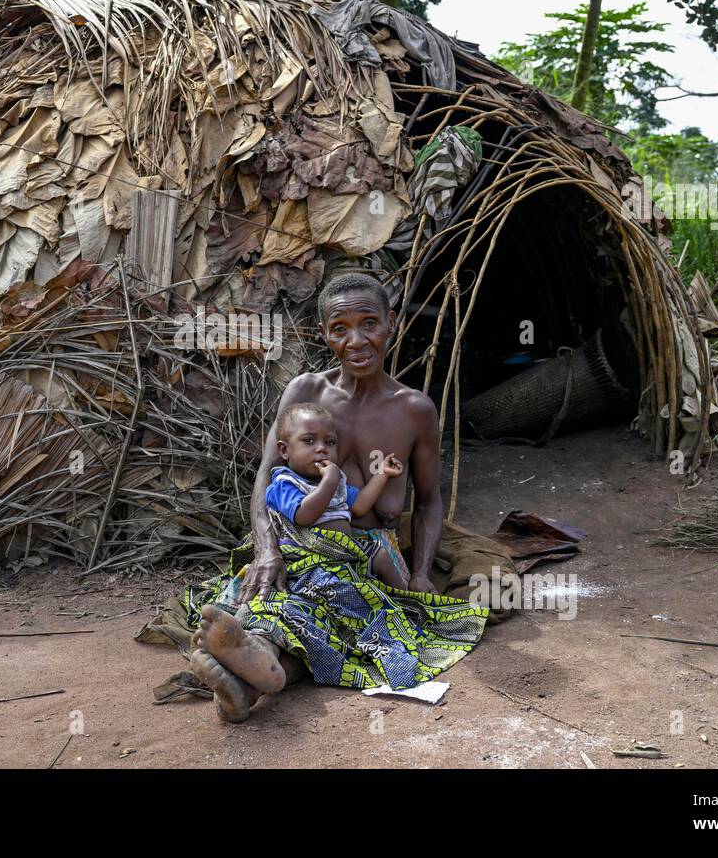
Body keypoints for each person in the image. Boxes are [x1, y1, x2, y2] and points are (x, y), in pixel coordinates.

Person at [179, 271, 489, 723]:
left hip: (361, 562)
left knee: (343, 614)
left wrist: (420, 571)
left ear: (392, 324)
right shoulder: (305, 393)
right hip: (300, 550)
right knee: (280, 596)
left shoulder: (414, 410)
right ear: (324, 333)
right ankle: (252, 666)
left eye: (369, 323)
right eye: (340, 329)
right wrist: (267, 550)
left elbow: (427, 501)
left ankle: (249, 677)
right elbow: (266, 477)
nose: (357, 340)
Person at [264, 401, 411, 588]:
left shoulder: (335, 480)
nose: (321, 448)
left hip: (346, 553)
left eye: (330, 442)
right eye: (309, 441)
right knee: (330, 586)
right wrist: (329, 482)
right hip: (310, 557)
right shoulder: (284, 484)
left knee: (381, 557)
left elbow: (359, 506)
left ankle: (406, 603)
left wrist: (382, 474)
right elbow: (303, 516)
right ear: (285, 450)